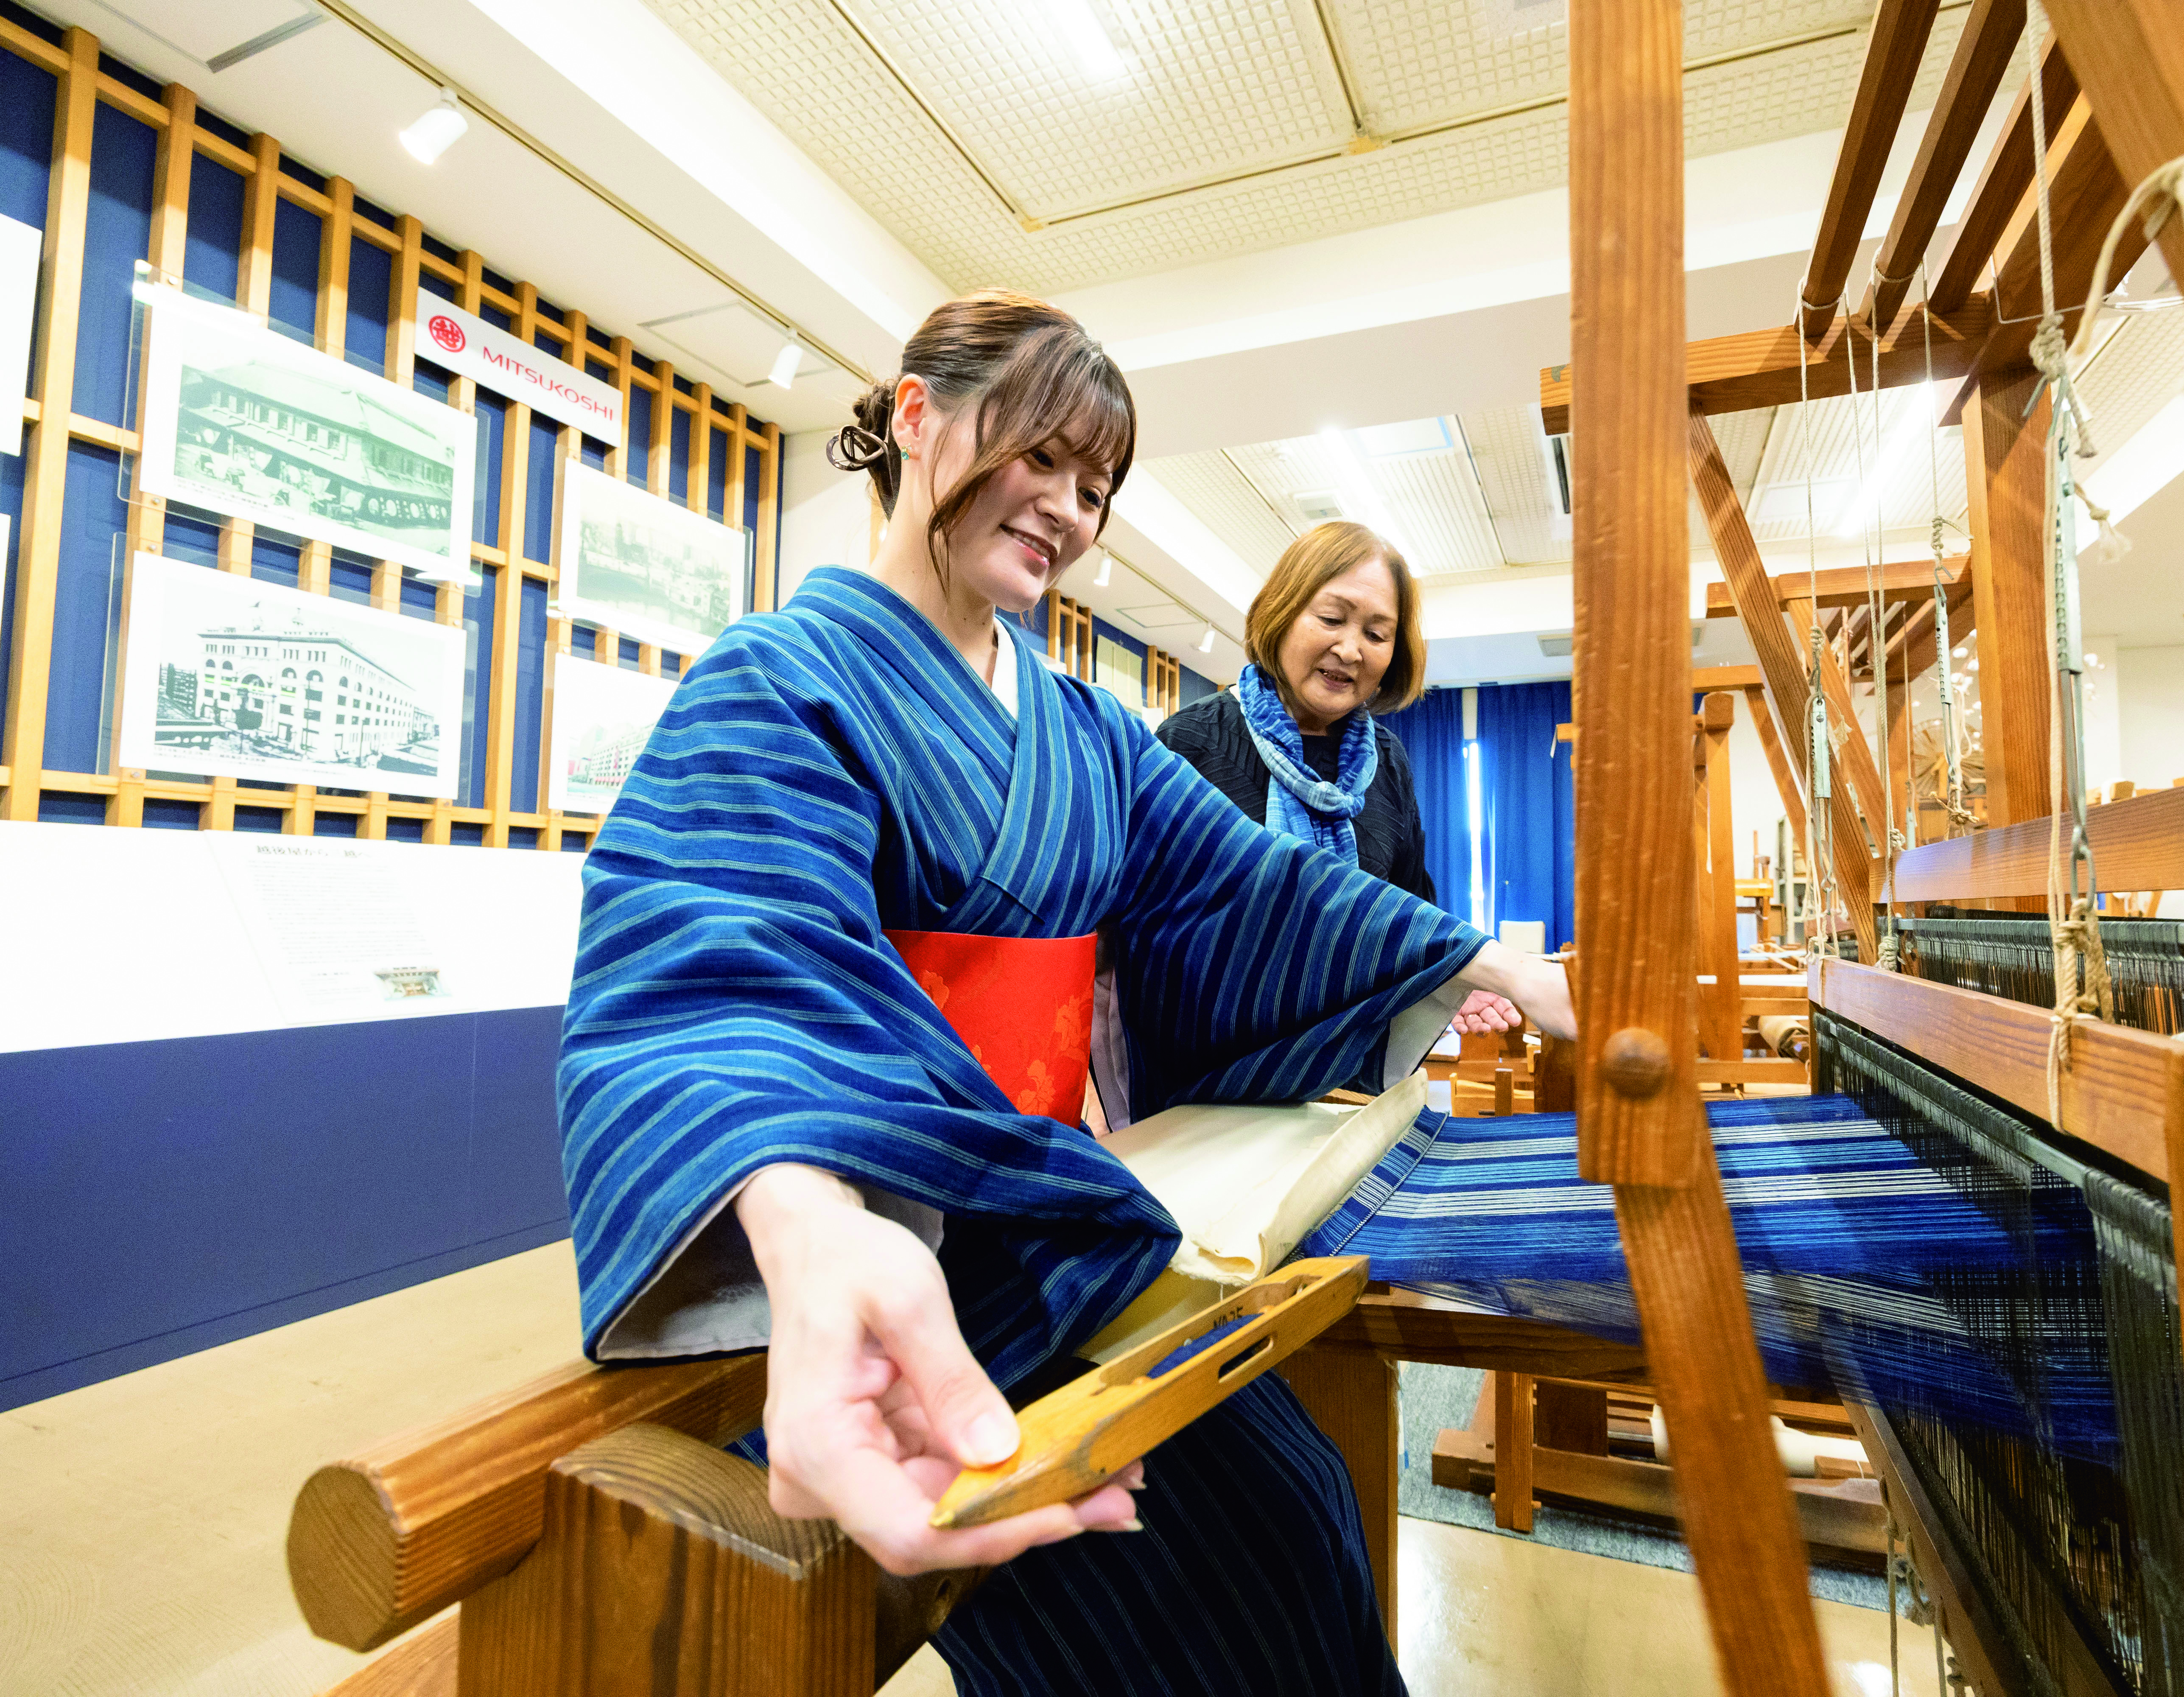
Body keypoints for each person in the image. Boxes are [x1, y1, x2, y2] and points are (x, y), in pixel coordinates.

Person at [556, 290, 1573, 1696]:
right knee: (1178, 1615)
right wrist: (806, 1229)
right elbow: (725, 962)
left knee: (1299, 1514)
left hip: (1048, 1241)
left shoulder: (1088, 730)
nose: (1068, 509)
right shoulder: (778, 681)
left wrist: (1477, 960)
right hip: (898, 1262)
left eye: (1094, 486)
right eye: (1041, 458)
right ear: (916, 416)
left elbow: (1248, 889)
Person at [1158, 521, 1521, 1034]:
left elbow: (1410, 906)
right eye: (1332, 619)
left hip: (1353, 1064)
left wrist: (1445, 980)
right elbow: (1144, 926)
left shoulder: (1386, 761)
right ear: (1282, 613)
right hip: (1209, 1065)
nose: (1351, 650)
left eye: (1376, 634)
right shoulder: (1192, 743)